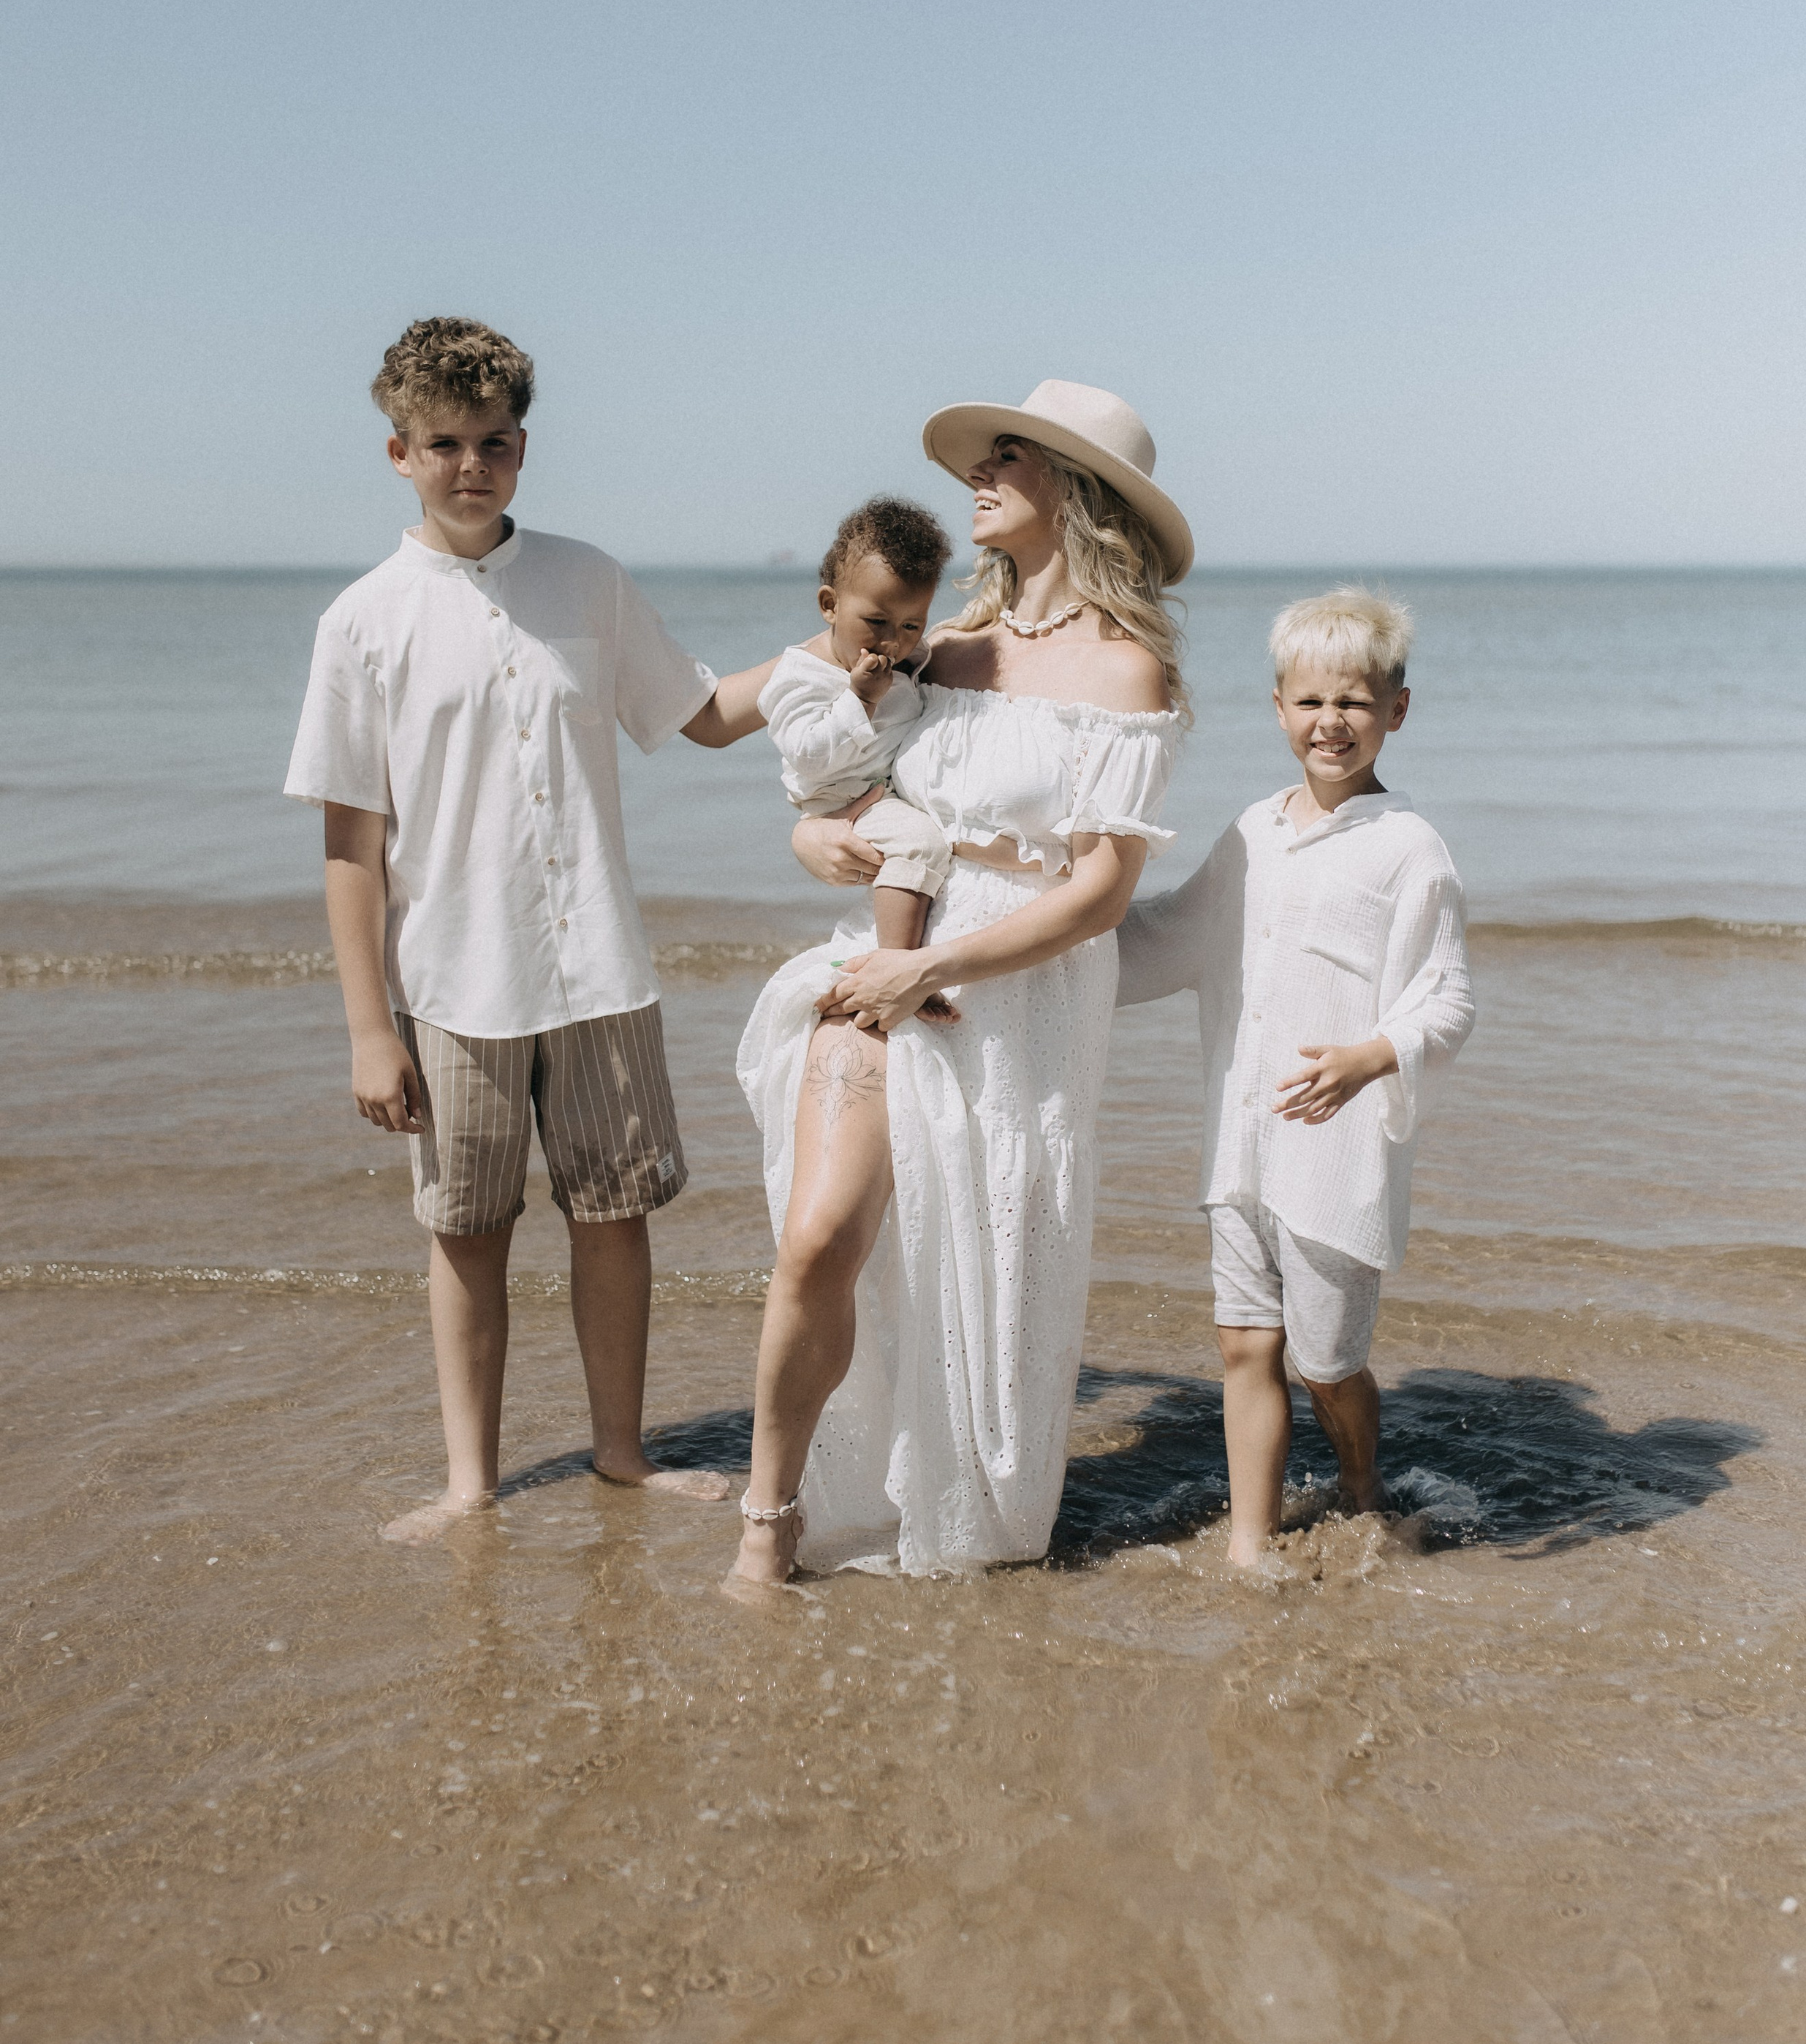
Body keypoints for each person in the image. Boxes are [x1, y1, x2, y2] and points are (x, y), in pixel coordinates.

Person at [284, 317, 772, 1543]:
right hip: (453, 982)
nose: (471, 465)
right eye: (443, 443)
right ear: (398, 452)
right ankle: (470, 1484)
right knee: (467, 1234)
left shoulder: (588, 580)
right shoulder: (363, 623)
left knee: (615, 1217)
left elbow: (702, 713)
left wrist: (845, 654)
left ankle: (620, 1458)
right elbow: (353, 848)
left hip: (599, 968)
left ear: (522, 445)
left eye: (493, 441)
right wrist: (365, 1031)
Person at [732, 380, 1192, 1583]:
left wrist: (931, 964)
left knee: (973, 1258)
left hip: (1015, 995)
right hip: (885, 961)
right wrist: (815, 846)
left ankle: (949, 1507)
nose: (975, 476)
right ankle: (769, 1520)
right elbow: (840, 795)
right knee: (821, 1233)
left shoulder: (1128, 674)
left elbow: (1101, 895)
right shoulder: (938, 646)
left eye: (1007, 460)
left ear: (1075, 491)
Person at [1115, 587, 1475, 1572]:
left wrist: (1371, 1058)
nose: (1331, 723)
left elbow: (1447, 1002)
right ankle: (1250, 1542)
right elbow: (1164, 938)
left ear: (1396, 711)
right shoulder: (1250, 834)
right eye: (1310, 702)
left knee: (1326, 1363)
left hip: (1334, 1155)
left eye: (1355, 703)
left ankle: (1364, 1483)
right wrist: (1054, 932)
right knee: (1243, 1349)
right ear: (1278, 708)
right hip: (1241, 1143)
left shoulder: (1409, 847)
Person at [756, 497, 955, 1013]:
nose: (894, 641)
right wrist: (860, 699)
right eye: (877, 621)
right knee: (920, 845)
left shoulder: (909, 661)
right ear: (830, 605)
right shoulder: (799, 675)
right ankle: (897, 967)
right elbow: (807, 757)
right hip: (842, 800)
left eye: (913, 625)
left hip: (881, 791)